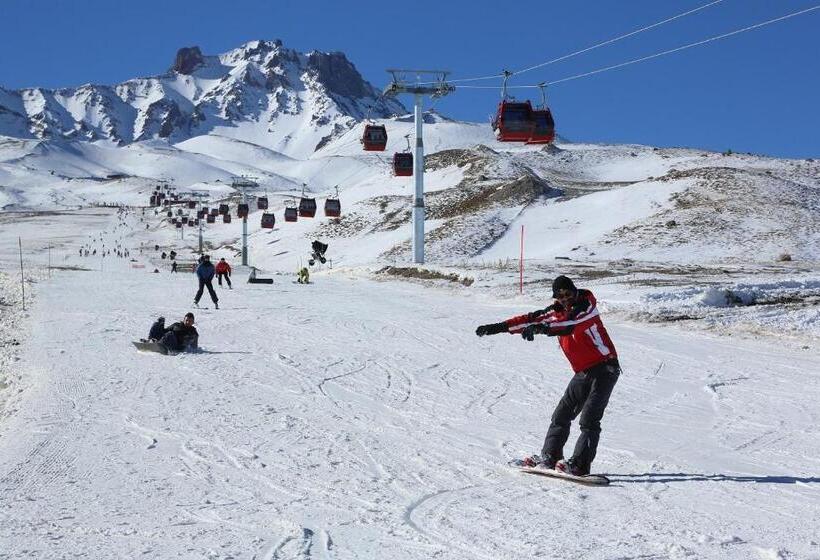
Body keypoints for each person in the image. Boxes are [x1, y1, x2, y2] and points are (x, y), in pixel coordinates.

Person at [475, 275, 620, 476]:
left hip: (605, 368)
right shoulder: (556, 312)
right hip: (583, 372)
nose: (565, 299)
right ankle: (550, 457)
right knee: (561, 415)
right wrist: (497, 327)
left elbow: (570, 325)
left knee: (589, 419)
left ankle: (580, 465)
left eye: (568, 294)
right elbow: (530, 319)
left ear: (574, 291)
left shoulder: (586, 306)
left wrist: (542, 329)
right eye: (560, 296)